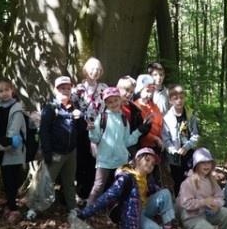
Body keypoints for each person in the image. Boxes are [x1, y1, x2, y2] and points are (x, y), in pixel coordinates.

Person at [76, 148, 176, 229]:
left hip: (145, 210)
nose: (150, 164)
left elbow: (163, 199)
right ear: (137, 160)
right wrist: (85, 213)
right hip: (131, 215)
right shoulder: (126, 177)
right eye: (147, 159)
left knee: (165, 193)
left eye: (153, 163)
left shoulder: (148, 180)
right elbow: (108, 196)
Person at [35, 75, 85, 216]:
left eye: (68, 88)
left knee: (69, 182)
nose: (65, 91)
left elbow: (81, 130)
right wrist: (47, 152)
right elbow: (43, 131)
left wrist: (80, 118)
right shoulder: (51, 108)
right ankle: (36, 208)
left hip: (71, 152)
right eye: (62, 88)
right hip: (55, 152)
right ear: (56, 90)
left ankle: (72, 208)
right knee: (47, 181)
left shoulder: (74, 107)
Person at [176, 147, 227, 229]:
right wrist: (203, 202)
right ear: (196, 165)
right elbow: (185, 203)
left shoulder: (211, 180)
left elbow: (220, 196)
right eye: (203, 162)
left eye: (209, 162)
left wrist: (216, 204)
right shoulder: (188, 182)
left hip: (207, 213)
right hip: (192, 217)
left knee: (225, 213)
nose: (206, 165)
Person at [88, 86, 145, 203]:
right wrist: (92, 129)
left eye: (115, 100)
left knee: (119, 187)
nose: (113, 104)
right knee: (98, 186)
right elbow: (95, 138)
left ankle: (114, 211)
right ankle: (88, 209)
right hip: (104, 159)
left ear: (120, 100)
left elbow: (127, 141)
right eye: (109, 102)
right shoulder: (102, 117)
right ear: (105, 104)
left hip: (120, 160)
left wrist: (139, 131)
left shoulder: (124, 119)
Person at [73, 57, 107, 200]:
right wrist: (85, 121)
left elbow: (107, 108)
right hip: (82, 130)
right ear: (86, 70)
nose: (95, 72)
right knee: (81, 160)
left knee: (95, 162)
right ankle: (80, 193)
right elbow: (75, 108)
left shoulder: (104, 88)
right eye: (92, 68)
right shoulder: (78, 89)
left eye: (98, 69)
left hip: (99, 130)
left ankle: (92, 194)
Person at [0, 77, 27, 222]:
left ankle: (13, 208)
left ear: (12, 90)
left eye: (7, 90)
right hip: (1, 148)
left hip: (13, 149)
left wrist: (2, 143)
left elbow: (13, 132)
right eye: (1, 91)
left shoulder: (16, 109)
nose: (4, 93)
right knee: (7, 179)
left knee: (13, 178)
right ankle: (11, 204)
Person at [162, 84, 201, 195]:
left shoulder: (190, 115)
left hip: (189, 154)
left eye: (181, 97)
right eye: (175, 98)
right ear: (170, 100)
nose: (179, 101)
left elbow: (196, 135)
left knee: (191, 178)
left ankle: (192, 202)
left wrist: (187, 147)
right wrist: (173, 150)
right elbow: (166, 138)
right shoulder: (166, 118)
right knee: (177, 180)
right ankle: (179, 204)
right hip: (174, 157)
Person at [134, 74, 165, 155]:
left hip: (156, 144)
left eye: (152, 91)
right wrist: (154, 138)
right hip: (142, 146)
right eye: (147, 91)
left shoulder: (155, 107)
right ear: (140, 90)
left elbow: (160, 124)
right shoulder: (136, 107)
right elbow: (138, 128)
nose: (150, 94)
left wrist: (160, 138)